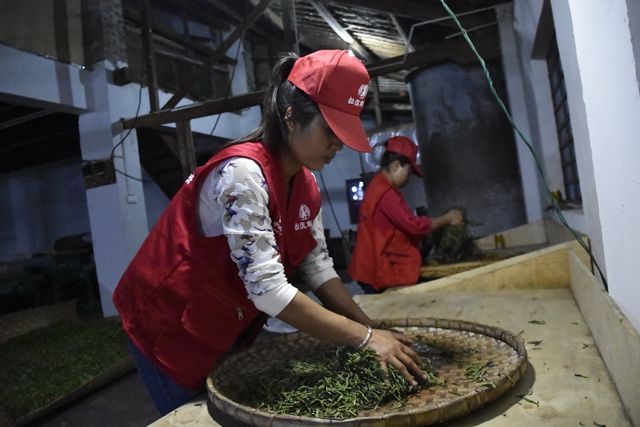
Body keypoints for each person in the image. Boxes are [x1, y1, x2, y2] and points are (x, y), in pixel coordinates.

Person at [112, 50, 427, 415]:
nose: (337, 144)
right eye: (330, 130)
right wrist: (367, 339)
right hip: (169, 327)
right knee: (194, 415)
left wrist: (370, 328)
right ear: (291, 117)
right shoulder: (241, 175)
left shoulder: (306, 183)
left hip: (225, 323)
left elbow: (316, 266)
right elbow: (268, 291)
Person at [349, 136, 464, 294]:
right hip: (376, 269)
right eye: (409, 172)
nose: (409, 178)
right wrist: (447, 219)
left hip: (368, 265)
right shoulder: (386, 193)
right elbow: (414, 226)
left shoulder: (378, 185)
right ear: (396, 165)